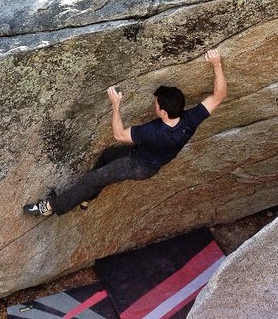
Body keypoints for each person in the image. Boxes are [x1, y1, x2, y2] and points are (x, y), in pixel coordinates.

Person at [23, 49, 227, 216]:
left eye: (156, 105)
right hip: (147, 159)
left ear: (163, 112)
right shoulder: (190, 120)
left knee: (91, 180)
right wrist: (217, 63)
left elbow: (119, 134)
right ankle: (87, 197)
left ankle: (49, 207)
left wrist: (115, 105)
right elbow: (219, 96)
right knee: (107, 156)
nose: (154, 105)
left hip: (137, 166)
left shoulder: (153, 131)